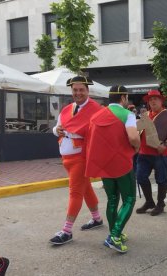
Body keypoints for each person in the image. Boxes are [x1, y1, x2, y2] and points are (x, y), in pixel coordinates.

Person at [85, 85, 140, 253]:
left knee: (112, 200)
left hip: (104, 166)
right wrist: (136, 147)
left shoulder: (96, 116)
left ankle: (114, 232)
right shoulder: (128, 115)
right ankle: (115, 235)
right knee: (129, 199)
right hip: (122, 163)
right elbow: (133, 137)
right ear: (123, 98)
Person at [49, 76, 103, 245]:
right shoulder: (66, 109)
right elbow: (57, 128)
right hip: (67, 157)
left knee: (75, 192)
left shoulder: (96, 109)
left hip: (82, 157)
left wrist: (74, 132)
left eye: (81, 90)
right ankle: (97, 219)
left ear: (88, 91)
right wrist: (56, 130)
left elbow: (99, 133)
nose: (78, 93)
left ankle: (66, 231)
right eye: (75, 90)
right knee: (85, 188)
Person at [136, 90, 167, 216]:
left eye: (155, 99)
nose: (153, 101)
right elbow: (138, 130)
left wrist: (166, 144)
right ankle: (149, 202)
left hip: (161, 153)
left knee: (161, 179)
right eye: (150, 99)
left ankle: (160, 204)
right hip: (144, 152)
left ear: (161, 101)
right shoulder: (145, 115)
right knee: (140, 177)